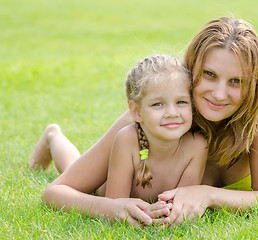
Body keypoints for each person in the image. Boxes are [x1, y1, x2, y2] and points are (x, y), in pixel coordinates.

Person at [31, 16, 258, 226]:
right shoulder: (165, 105)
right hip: (137, 167)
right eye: (209, 75)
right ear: (191, 69)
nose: (219, 94)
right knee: (92, 182)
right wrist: (109, 208)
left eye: (236, 81)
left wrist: (207, 194)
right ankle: (54, 137)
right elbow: (60, 190)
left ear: (252, 83)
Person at [30, 55, 208, 227]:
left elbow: (182, 205)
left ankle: (53, 136)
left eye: (181, 102)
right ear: (136, 112)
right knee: (74, 171)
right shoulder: (128, 140)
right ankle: (53, 136)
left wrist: (163, 212)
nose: (172, 113)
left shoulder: (197, 146)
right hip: (100, 189)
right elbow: (115, 204)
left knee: (73, 164)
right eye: (157, 104)